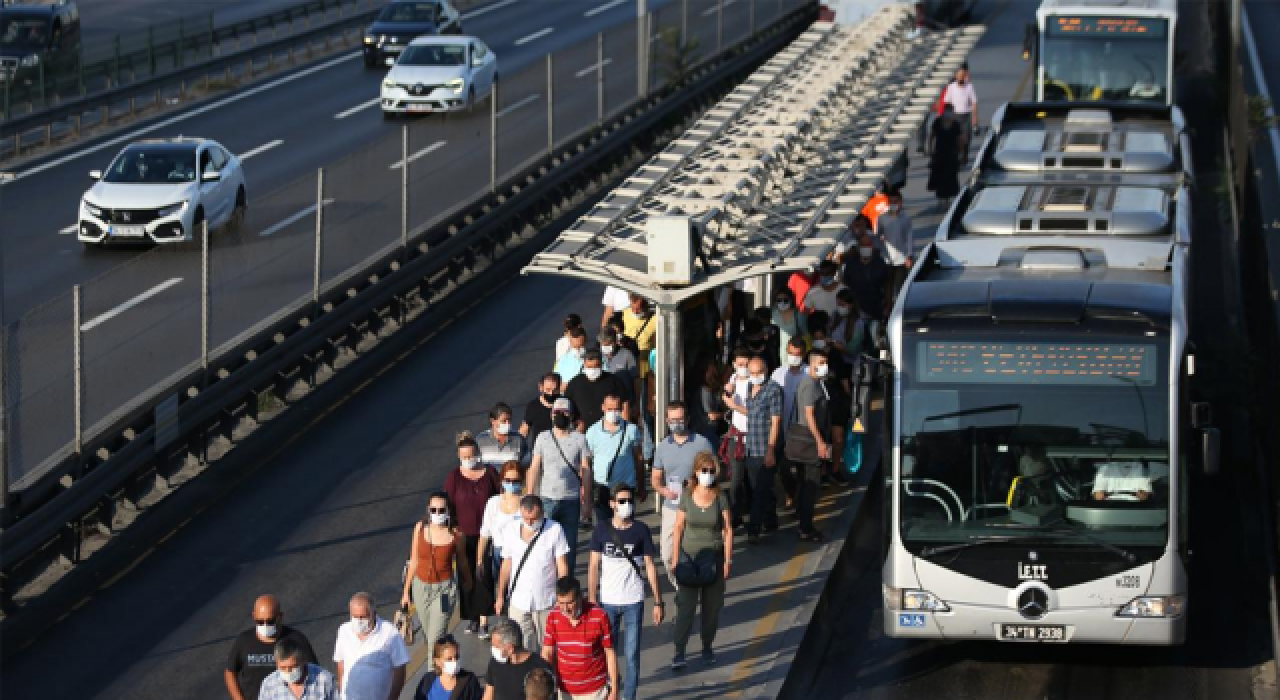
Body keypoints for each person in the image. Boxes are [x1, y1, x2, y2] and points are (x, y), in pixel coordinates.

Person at [587, 484, 665, 700]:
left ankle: (628, 696)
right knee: (606, 653)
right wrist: (592, 599)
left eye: (629, 501)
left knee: (631, 656)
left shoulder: (641, 530)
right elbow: (593, 565)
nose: (626, 505)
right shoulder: (601, 530)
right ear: (612, 504)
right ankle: (612, 692)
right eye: (621, 501)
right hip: (608, 602)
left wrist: (658, 602)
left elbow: (650, 565)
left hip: (633, 601)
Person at [670, 452, 733, 671]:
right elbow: (678, 528)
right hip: (689, 560)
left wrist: (727, 560)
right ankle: (679, 651)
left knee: (712, 608)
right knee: (685, 608)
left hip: (713, 560)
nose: (707, 475)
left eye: (711, 471)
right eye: (703, 470)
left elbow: (727, 529)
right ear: (696, 472)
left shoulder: (721, 497)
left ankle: (707, 646)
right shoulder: (687, 496)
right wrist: (675, 558)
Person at [403, 492, 474, 662]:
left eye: (441, 510)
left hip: (444, 591)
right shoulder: (420, 528)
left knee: (435, 637)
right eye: (433, 509)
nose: (437, 513)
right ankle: (448, 651)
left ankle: (432, 678)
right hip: (420, 588)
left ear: (449, 511)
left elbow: (462, 562)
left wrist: (468, 583)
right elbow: (413, 561)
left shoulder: (457, 535)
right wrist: (406, 592)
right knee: (430, 636)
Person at [496, 496, 571, 655]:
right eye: (526, 518)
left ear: (543, 513)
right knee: (522, 649)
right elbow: (506, 565)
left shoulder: (554, 529)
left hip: (546, 602)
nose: (529, 522)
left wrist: (562, 596)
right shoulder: (511, 530)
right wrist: (500, 596)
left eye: (534, 518)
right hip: (518, 602)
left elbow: (562, 565)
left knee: (549, 649)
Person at [651, 401, 714, 586]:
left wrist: (697, 484)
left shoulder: (702, 443)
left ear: (687, 419)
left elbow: (715, 471)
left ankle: (690, 592)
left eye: (680, 419)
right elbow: (655, 478)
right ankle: (681, 587)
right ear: (666, 420)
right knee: (667, 554)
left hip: (696, 506)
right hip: (672, 507)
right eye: (672, 420)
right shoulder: (662, 447)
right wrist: (663, 490)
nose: (676, 423)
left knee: (694, 552)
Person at [446, 433, 501, 636]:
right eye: (464, 457)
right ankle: (473, 618)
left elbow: (499, 500)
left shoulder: (490, 474)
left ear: (478, 453)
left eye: (471, 455)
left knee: (483, 574)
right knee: (466, 576)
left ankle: (485, 619)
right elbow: (449, 505)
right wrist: (452, 528)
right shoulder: (454, 477)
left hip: (486, 535)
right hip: (463, 536)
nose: (469, 460)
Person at [722, 356, 782, 541]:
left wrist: (771, 450)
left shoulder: (773, 390)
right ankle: (770, 519)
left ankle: (753, 529)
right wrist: (733, 405)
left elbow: (776, 421)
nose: (755, 376)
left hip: (764, 448)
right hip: (749, 446)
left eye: (759, 373)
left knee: (760, 489)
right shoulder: (749, 387)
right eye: (752, 373)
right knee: (759, 487)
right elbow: (751, 412)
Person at [528, 398, 591, 572]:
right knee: (545, 547)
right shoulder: (542, 437)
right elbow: (534, 467)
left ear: (571, 415)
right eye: (557, 412)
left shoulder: (580, 439)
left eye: (564, 413)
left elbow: (585, 470)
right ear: (551, 414)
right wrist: (530, 495)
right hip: (547, 500)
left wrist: (587, 502)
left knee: (569, 548)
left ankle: (567, 588)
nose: (560, 416)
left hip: (571, 500)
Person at [226, 595, 318, 700]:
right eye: (260, 621)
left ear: (280, 617)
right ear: (254, 616)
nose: (265, 625)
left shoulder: (296, 640)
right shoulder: (244, 641)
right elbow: (230, 672)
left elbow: (313, 671)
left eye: (270, 621)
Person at [542, 576, 618, 700]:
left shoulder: (599, 616)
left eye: (570, 603)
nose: (565, 609)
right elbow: (547, 651)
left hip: (595, 691)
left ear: (580, 597)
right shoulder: (553, 617)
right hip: (565, 691)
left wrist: (614, 690)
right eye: (561, 603)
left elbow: (610, 653)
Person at [334, 592, 410, 700]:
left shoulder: (390, 633)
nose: (358, 621)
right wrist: (341, 693)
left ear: (373, 614)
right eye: (355, 617)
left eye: (362, 617)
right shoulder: (343, 630)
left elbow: (400, 669)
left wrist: (392, 698)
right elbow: (340, 662)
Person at [584, 394, 644, 524]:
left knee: (626, 526)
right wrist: (586, 493)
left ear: (621, 409)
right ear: (603, 408)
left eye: (616, 409)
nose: (613, 412)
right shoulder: (592, 431)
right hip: (601, 488)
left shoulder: (631, 430)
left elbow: (639, 459)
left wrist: (642, 485)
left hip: (626, 488)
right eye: (609, 409)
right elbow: (586, 463)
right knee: (603, 528)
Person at [480, 461, 530, 612]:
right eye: (508, 480)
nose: (511, 484)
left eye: (515, 481)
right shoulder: (493, 503)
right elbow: (485, 534)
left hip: (520, 552)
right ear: (502, 480)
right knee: (501, 586)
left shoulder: (527, 503)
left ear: (522, 482)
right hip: (498, 553)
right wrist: (479, 560)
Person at [793, 349, 833, 541]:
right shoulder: (809, 385)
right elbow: (809, 415)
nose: (825, 365)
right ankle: (806, 528)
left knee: (805, 483)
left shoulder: (818, 383)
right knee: (811, 484)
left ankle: (803, 521)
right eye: (822, 361)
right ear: (814, 363)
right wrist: (820, 442)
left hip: (810, 440)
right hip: (809, 442)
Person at [771, 338, 810, 508]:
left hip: (803, 430)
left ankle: (801, 501)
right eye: (791, 353)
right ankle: (791, 493)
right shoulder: (778, 374)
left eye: (797, 354)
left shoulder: (809, 373)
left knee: (803, 469)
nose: (793, 357)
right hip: (782, 429)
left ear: (803, 354)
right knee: (783, 468)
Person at [841, 233, 891, 355]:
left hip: (875, 310)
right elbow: (845, 284)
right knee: (858, 342)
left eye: (868, 245)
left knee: (874, 342)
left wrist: (888, 303)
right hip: (857, 311)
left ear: (872, 246)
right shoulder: (851, 264)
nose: (866, 247)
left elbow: (887, 284)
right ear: (858, 247)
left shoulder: (880, 262)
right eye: (863, 245)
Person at [720, 349, 753, 528]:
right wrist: (726, 393)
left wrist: (734, 406)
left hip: (753, 436)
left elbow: (755, 412)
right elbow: (724, 399)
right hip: (736, 435)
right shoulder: (733, 379)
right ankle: (735, 515)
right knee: (736, 478)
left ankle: (758, 512)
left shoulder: (754, 384)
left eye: (746, 365)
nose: (743, 369)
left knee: (752, 478)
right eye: (739, 365)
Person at [484, 618, 555, 700]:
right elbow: (488, 695)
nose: (493, 649)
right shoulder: (495, 663)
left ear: (510, 648)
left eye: (496, 646)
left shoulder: (540, 670)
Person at [565, 351, 631, 433]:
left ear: (601, 365)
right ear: (584, 365)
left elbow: (625, 405)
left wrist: (624, 430)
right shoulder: (574, 383)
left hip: (610, 431)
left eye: (595, 366)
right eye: (589, 367)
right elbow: (566, 406)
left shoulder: (614, 381)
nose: (592, 370)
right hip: (582, 433)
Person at [257, 637, 336, 700]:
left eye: (292, 667)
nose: (288, 671)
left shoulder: (324, 679)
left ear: (303, 661)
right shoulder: (269, 685)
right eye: (283, 668)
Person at [415, 634, 484, 700]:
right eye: (449, 659)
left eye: (456, 657)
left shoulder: (469, 681)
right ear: (437, 661)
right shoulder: (427, 680)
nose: (454, 661)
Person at [875, 189, 914, 303]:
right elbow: (878, 235)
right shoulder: (882, 218)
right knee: (887, 286)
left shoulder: (905, 218)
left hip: (901, 259)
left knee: (900, 286)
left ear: (900, 202)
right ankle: (888, 308)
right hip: (886, 259)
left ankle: (900, 305)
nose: (893, 204)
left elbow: (909, 237)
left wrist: (909, 255)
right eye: (891, 202)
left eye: (895, 202)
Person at [927, 105, 963, 204]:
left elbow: (960, 139)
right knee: (940, 175)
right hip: (939, 153)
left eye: (950, 111)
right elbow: (931, 136)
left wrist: (960, 152)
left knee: (951, 176)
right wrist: (930, 149)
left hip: (952, 154)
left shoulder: (955, 124)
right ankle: (941, 196)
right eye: (947, 111)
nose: (948, 113)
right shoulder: (937, 122)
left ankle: (949, 197)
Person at [479, 403, 531, 471]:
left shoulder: (519, 439)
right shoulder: (481, 440)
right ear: (493, 421)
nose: (508, 424)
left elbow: (526, 464)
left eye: (509, 420)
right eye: (504, 421)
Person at [942, 65, 979, 161]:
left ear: (965, 76)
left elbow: (974, 102)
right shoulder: (951, 87)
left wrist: (975, 119)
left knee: (966, 138)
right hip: (955, 116)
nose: (961, 77)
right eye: (959, 75)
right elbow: (947, 103)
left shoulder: (969, 86)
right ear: (956, 76)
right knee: (955, 138)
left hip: (966, 116)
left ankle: (965, 154)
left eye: (963, 75)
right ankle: (957, 155)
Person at [521, 373, 564, 446]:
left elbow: (578, 424)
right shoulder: (533, 406)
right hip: (540, 453)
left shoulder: (565, 404)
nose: (551, 393)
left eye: (555, 390)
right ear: (541, 387)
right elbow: (524, 430)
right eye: (548, 390)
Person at [769, 288, 807, 369]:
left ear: (791, 300)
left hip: (794, 355)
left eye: (785, 300)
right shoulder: (773, 314)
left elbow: (806, 335)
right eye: (779, 300)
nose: (782, 302)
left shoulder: (798, 315)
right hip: (775, 356)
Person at [621, 295, 657, 380]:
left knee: (644, 380)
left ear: (646, 306)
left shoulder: (655, 318)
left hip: (644, 357)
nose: (635, 312)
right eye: (633, 309)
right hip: (628, 353)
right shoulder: (625, 313)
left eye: (638, 309)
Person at [598, 327, 637, 398]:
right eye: (603, 345)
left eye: (608, 344)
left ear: (615, 342)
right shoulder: (597, 355)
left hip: (622, 396)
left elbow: (635, 379)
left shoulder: (627, 354)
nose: (605, 347)